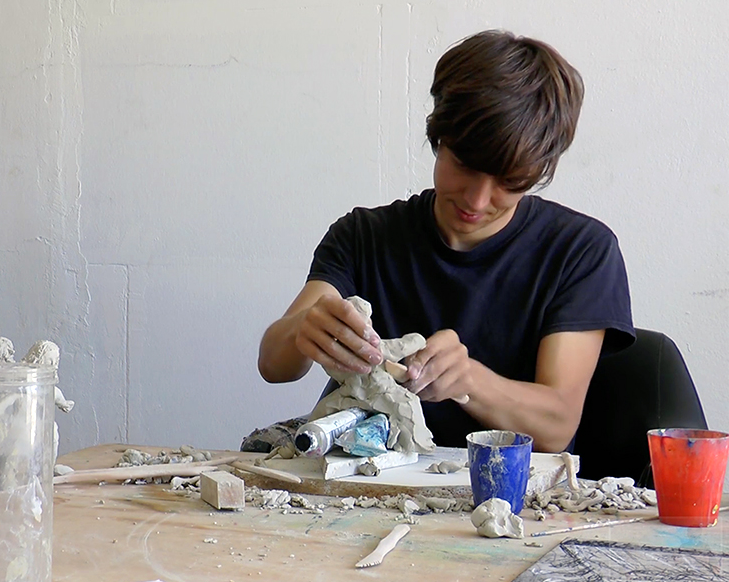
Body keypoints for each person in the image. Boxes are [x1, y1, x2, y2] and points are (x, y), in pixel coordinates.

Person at [258, 30, 634, 454]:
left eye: (509, 182)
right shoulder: (365, 236)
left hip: (503, 485)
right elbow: (274, 365)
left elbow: (556, 426)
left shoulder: (579, 252)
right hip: (370, 473)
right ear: (438, 138)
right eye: (464, 166)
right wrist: (306, 330)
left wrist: (469, 380)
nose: (477, 200)